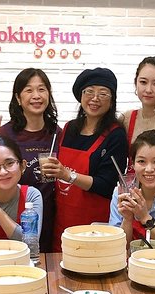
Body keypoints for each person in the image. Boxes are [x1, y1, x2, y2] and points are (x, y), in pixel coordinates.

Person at [42, 67, 128, 251]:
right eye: (89, 91)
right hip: (62, 221)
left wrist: (68, 175)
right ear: (80, 96)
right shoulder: (68, 128)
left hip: (95, 225)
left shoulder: (116, 135)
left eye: (103, 93)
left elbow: (106, 185)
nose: (95, 98)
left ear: (112, 100)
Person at [0, 68, 61, 253]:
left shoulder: (57, 133)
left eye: (41, 89)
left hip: (51, 214)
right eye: (29, 90)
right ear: (18, 98)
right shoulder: (6, 133)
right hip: (14, 212)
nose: (36, 96)